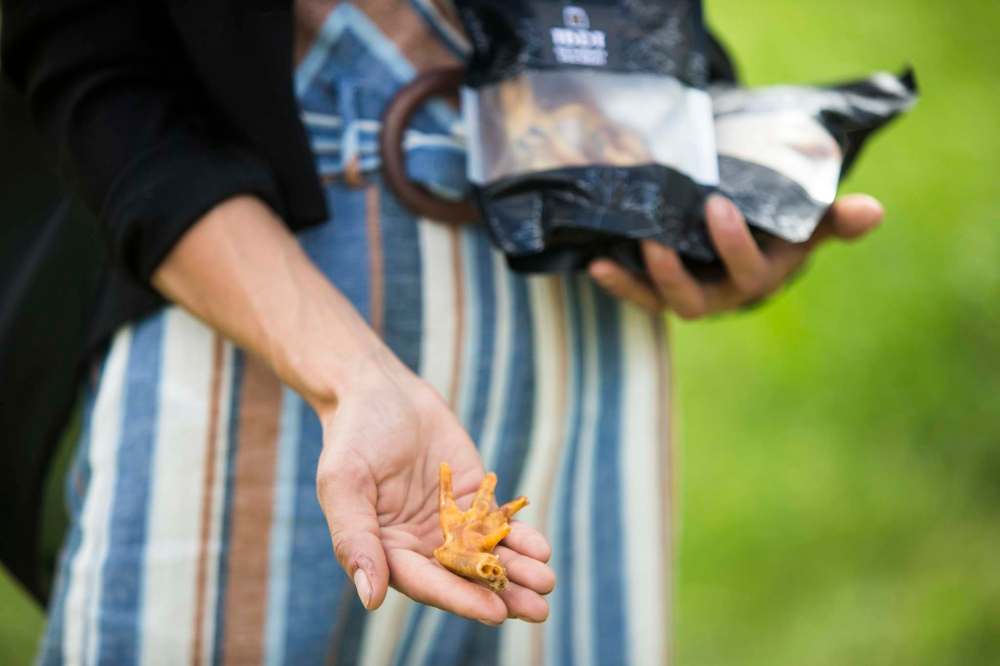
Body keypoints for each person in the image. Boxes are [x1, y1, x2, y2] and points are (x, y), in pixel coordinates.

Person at [2, 1, 884, 664]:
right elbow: (96, 61)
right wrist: (351, 378)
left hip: (583, 346)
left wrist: (717, 204)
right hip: (260, 334)